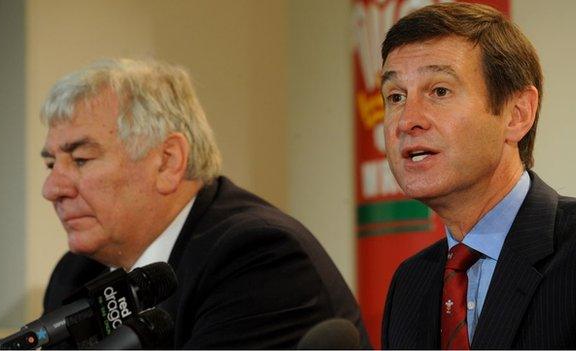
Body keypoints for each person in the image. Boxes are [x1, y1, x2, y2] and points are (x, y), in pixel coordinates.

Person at [39, 58, 370, 349]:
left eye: (81, 159)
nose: (52, 188)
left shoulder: (257, 259)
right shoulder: (76, 273)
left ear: (168, 162)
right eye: (52, 164)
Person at [379, 3, 576, 349]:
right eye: (395, 96)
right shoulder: (410, 284)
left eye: (439, 91)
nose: (407, 121)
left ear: (516, 114)